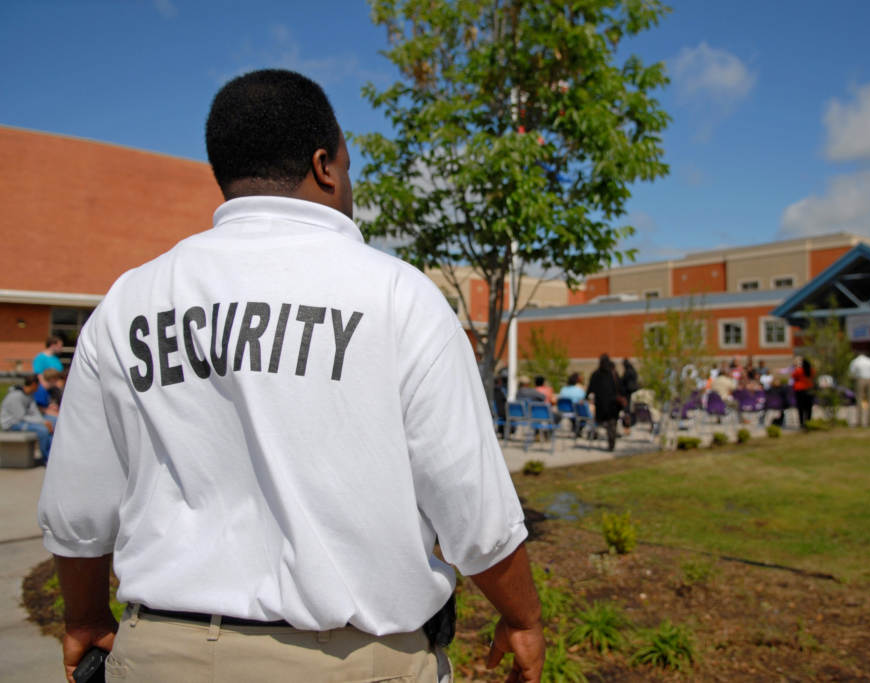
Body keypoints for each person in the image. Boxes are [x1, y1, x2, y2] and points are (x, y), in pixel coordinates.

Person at [38, 70, 544, 683]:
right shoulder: (397, 297)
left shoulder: (128, 303)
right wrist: (521, 618)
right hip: (349, 662)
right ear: (325, 166)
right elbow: (472, 507)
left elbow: (77, 509)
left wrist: (85, 617)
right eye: (349, 166)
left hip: (159, 658)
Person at [1, 376, 54, 463]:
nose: (39, 388)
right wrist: (42, 423)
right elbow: (20, 417)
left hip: (22, 421)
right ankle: (46, 459)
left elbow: (34, 412)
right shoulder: (16, 395)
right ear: (33, 384)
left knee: (52, 423)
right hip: (12, 424)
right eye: (38, 385)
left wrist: (45, 421)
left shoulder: (30, 395)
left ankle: (51, 455)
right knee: (43, 430)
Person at [586, 354, 621, 451]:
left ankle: (609, 437)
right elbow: (620, 388)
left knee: (605, 422)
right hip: (612, 405)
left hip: (601, 405)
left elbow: (590, 388)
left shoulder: (596, 374)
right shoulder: (613, 374)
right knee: (612, 423)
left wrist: (586, 397)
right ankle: (611, 441)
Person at [848, 353, 870, 428]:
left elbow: (851, 373)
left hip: (860, 380)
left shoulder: (855, 362)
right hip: (869, 380)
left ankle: (860, 421)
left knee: (859, 400)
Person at [791, 357, 815, 427]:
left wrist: (796, 367)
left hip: (800, 390)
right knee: (809, 407)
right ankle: (809, 421)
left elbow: (793, 375)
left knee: (801, 407)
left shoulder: (799, 371)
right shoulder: (811, 370)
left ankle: (802, 422)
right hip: (809, 389)